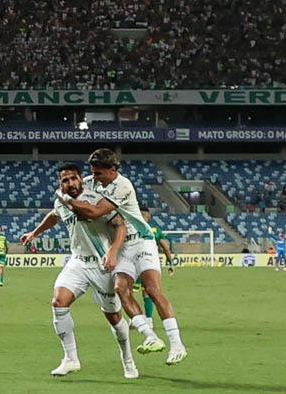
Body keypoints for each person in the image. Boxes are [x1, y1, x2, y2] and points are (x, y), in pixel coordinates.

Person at [61, 149, 187, 365]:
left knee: (152, 290)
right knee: (120, 288)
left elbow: (94, 212)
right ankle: (150, 335)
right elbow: (72, 191)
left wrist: (65, 200)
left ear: (113, 170)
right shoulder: (92, 182)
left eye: (99, 173)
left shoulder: (123, 185)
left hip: (142, 240)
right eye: (92, 172)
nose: (95, 177)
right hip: (121, 246)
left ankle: (177, 344)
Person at [19, 163, 138, 379]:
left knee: (113, 317)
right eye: (65, 180)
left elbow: (120, 226)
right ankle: (70, 359)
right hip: (78, 262)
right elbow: (55, 216)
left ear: (81, 179)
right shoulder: (61, 202)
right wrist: (34, 233)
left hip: (102, 265)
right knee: (58, 302)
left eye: (73, 178)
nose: (70, 183)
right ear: (60, 184)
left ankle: (127, 358)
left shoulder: (96, 199)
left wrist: (112, 252)